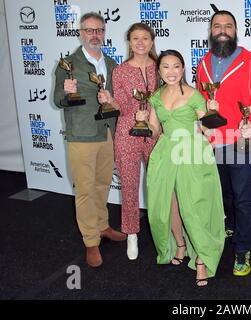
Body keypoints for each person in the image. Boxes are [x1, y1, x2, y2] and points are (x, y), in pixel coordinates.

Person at [138, 50, 225, 287]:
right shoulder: (156, 96)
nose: (171, 72)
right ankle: (180, 245)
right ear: (159, 71)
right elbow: (155, 130)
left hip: (191, 151)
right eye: (166, 67)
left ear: (183, 69)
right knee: (170, 203)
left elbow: (208, 131)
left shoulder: (195, 95)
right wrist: (144, 121)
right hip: (166, 152)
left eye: (176, 66)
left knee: (194, 206)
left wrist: (212, 113)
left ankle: (201, 259)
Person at [196, 10, 251, 277]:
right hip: (212, 141)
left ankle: (243, 248)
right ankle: (230, 226)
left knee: (243, 197)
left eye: (228, 26)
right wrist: (201, 119)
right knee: (222, 192)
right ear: (211, 31)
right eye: (217, 26)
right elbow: (200, 101)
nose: (222, 30)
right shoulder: (203, 63)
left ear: (235, 31)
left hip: (240, 141)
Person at [53, 12, 126, 268]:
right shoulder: (68, 63)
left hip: (107, 133)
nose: (95, 35)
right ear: (81, 33)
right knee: (85, 190)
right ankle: (90, 241)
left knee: (103, 183)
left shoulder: (112, 64)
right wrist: (65, 92)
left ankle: (102, 225)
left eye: (99, 30)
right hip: (82, 135)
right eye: (89, 30)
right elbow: (56, 101)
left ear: (104, 33)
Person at [112, 23, 159, 260]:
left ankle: (163, 231)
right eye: (135, 38)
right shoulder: (120, 71)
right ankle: (131, 233)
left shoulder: (160, 67)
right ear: (129, 42)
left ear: (152, 41)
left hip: (155, 132)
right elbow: (120, 105)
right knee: (129, 186)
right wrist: (118, 106)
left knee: (159, 185)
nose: (140, 43)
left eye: (145, 38)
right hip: (126, 133)